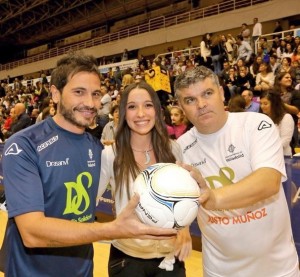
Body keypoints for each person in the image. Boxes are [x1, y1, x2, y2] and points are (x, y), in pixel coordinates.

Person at [2, 54, 177, 277]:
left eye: (95, 94)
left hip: (83, 271)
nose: (90, 103)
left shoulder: (96, 148)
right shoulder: (24, 145)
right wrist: (110, 229)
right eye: (79, 92)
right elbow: (32, 232)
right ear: (55, 93)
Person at [174, 66, 300, 277]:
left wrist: (213, 197)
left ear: (222, 93)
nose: (201, 105)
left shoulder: (256, 124)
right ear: (180, 106)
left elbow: (268, 182)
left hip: (278, 269)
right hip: (220, 271)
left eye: (207, 93)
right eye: (190, 100)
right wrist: (182, 229)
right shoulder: (180, 148)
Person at [98, 81, 191, 277]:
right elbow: (87, 204)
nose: (141, 114)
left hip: (170, 258)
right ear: (124, 113)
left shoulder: (173, 149)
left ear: (157, 110)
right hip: (126, 260)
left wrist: (185, 230)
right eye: (132, 107)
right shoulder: (110, 154)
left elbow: (185, 199)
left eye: (148, 105)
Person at [260, 90, 294, 157]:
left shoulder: (286, 117)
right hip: (265, 156)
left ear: (274, 104)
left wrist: (267, 150)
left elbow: (285, 141)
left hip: (282, 156)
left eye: (265, 104)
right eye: (261, 103)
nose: (262, 106)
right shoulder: (263, 119)